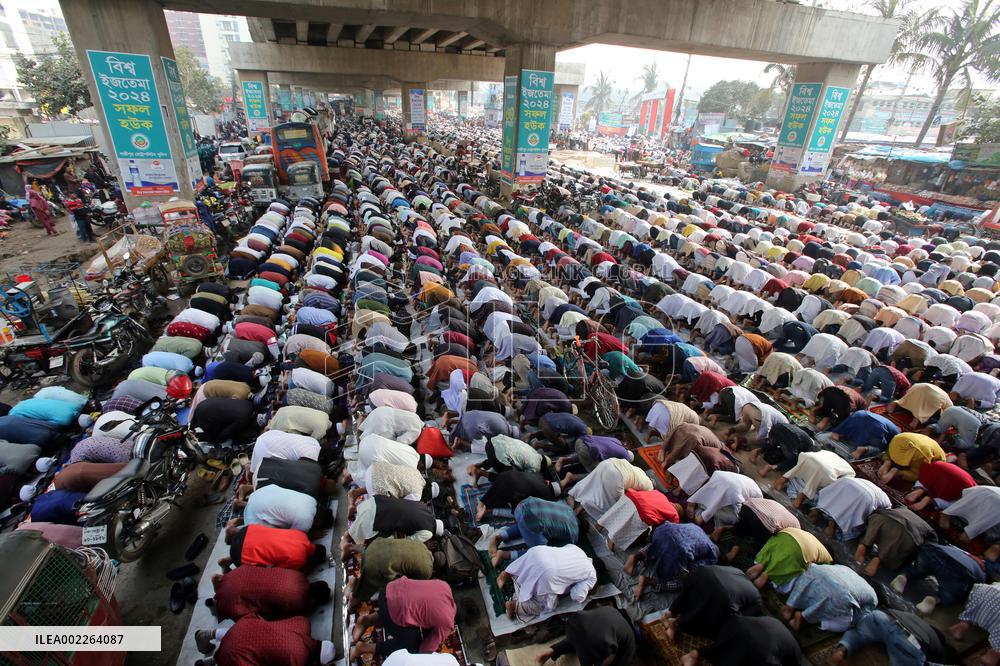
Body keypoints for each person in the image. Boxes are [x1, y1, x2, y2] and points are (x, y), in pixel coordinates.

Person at [349, 577, 456, 660]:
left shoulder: (444, 586)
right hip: (391, 612)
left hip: (388, 590)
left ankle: (365, 620)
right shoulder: (447, 623)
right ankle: (363, 648)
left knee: (402, 607)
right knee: (413, 645)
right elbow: (425, 651)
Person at [496, 543, 597, 621]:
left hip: (538, 552)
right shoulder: (592, 575)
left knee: (524, 567)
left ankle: (507, 573)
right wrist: (586, 588)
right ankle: (515, 606)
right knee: (547, 605)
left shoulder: (578, 550)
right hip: (548, 573)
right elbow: (576, 596)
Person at [196, 614, 336, 665]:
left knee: (250, 635)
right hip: (237, 655)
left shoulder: (303, 624)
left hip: (244, 626)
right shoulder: (299, 659)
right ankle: (217, 660)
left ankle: (210, 636)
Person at [832, 609, 951, 666]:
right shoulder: (938, 648)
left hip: (883, 616)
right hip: (909, 642)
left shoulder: (917, 620)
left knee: (859, 633)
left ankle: (842, 649)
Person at [488, 496, 579, 564]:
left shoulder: (568, 509)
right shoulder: (574, 536)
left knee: (528, 523)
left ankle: (499, 537)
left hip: (524, 504)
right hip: (530, 520)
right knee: (542, 553)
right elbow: (555, 551)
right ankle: (504, 555)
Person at [536, 606, 636, 666]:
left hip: (575, 624)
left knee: (580, 640)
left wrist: (555, 649)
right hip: (598, 641)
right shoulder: (630, 638)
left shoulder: (610, 609)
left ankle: (550, 652)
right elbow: (622, 662)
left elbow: (582, 636)